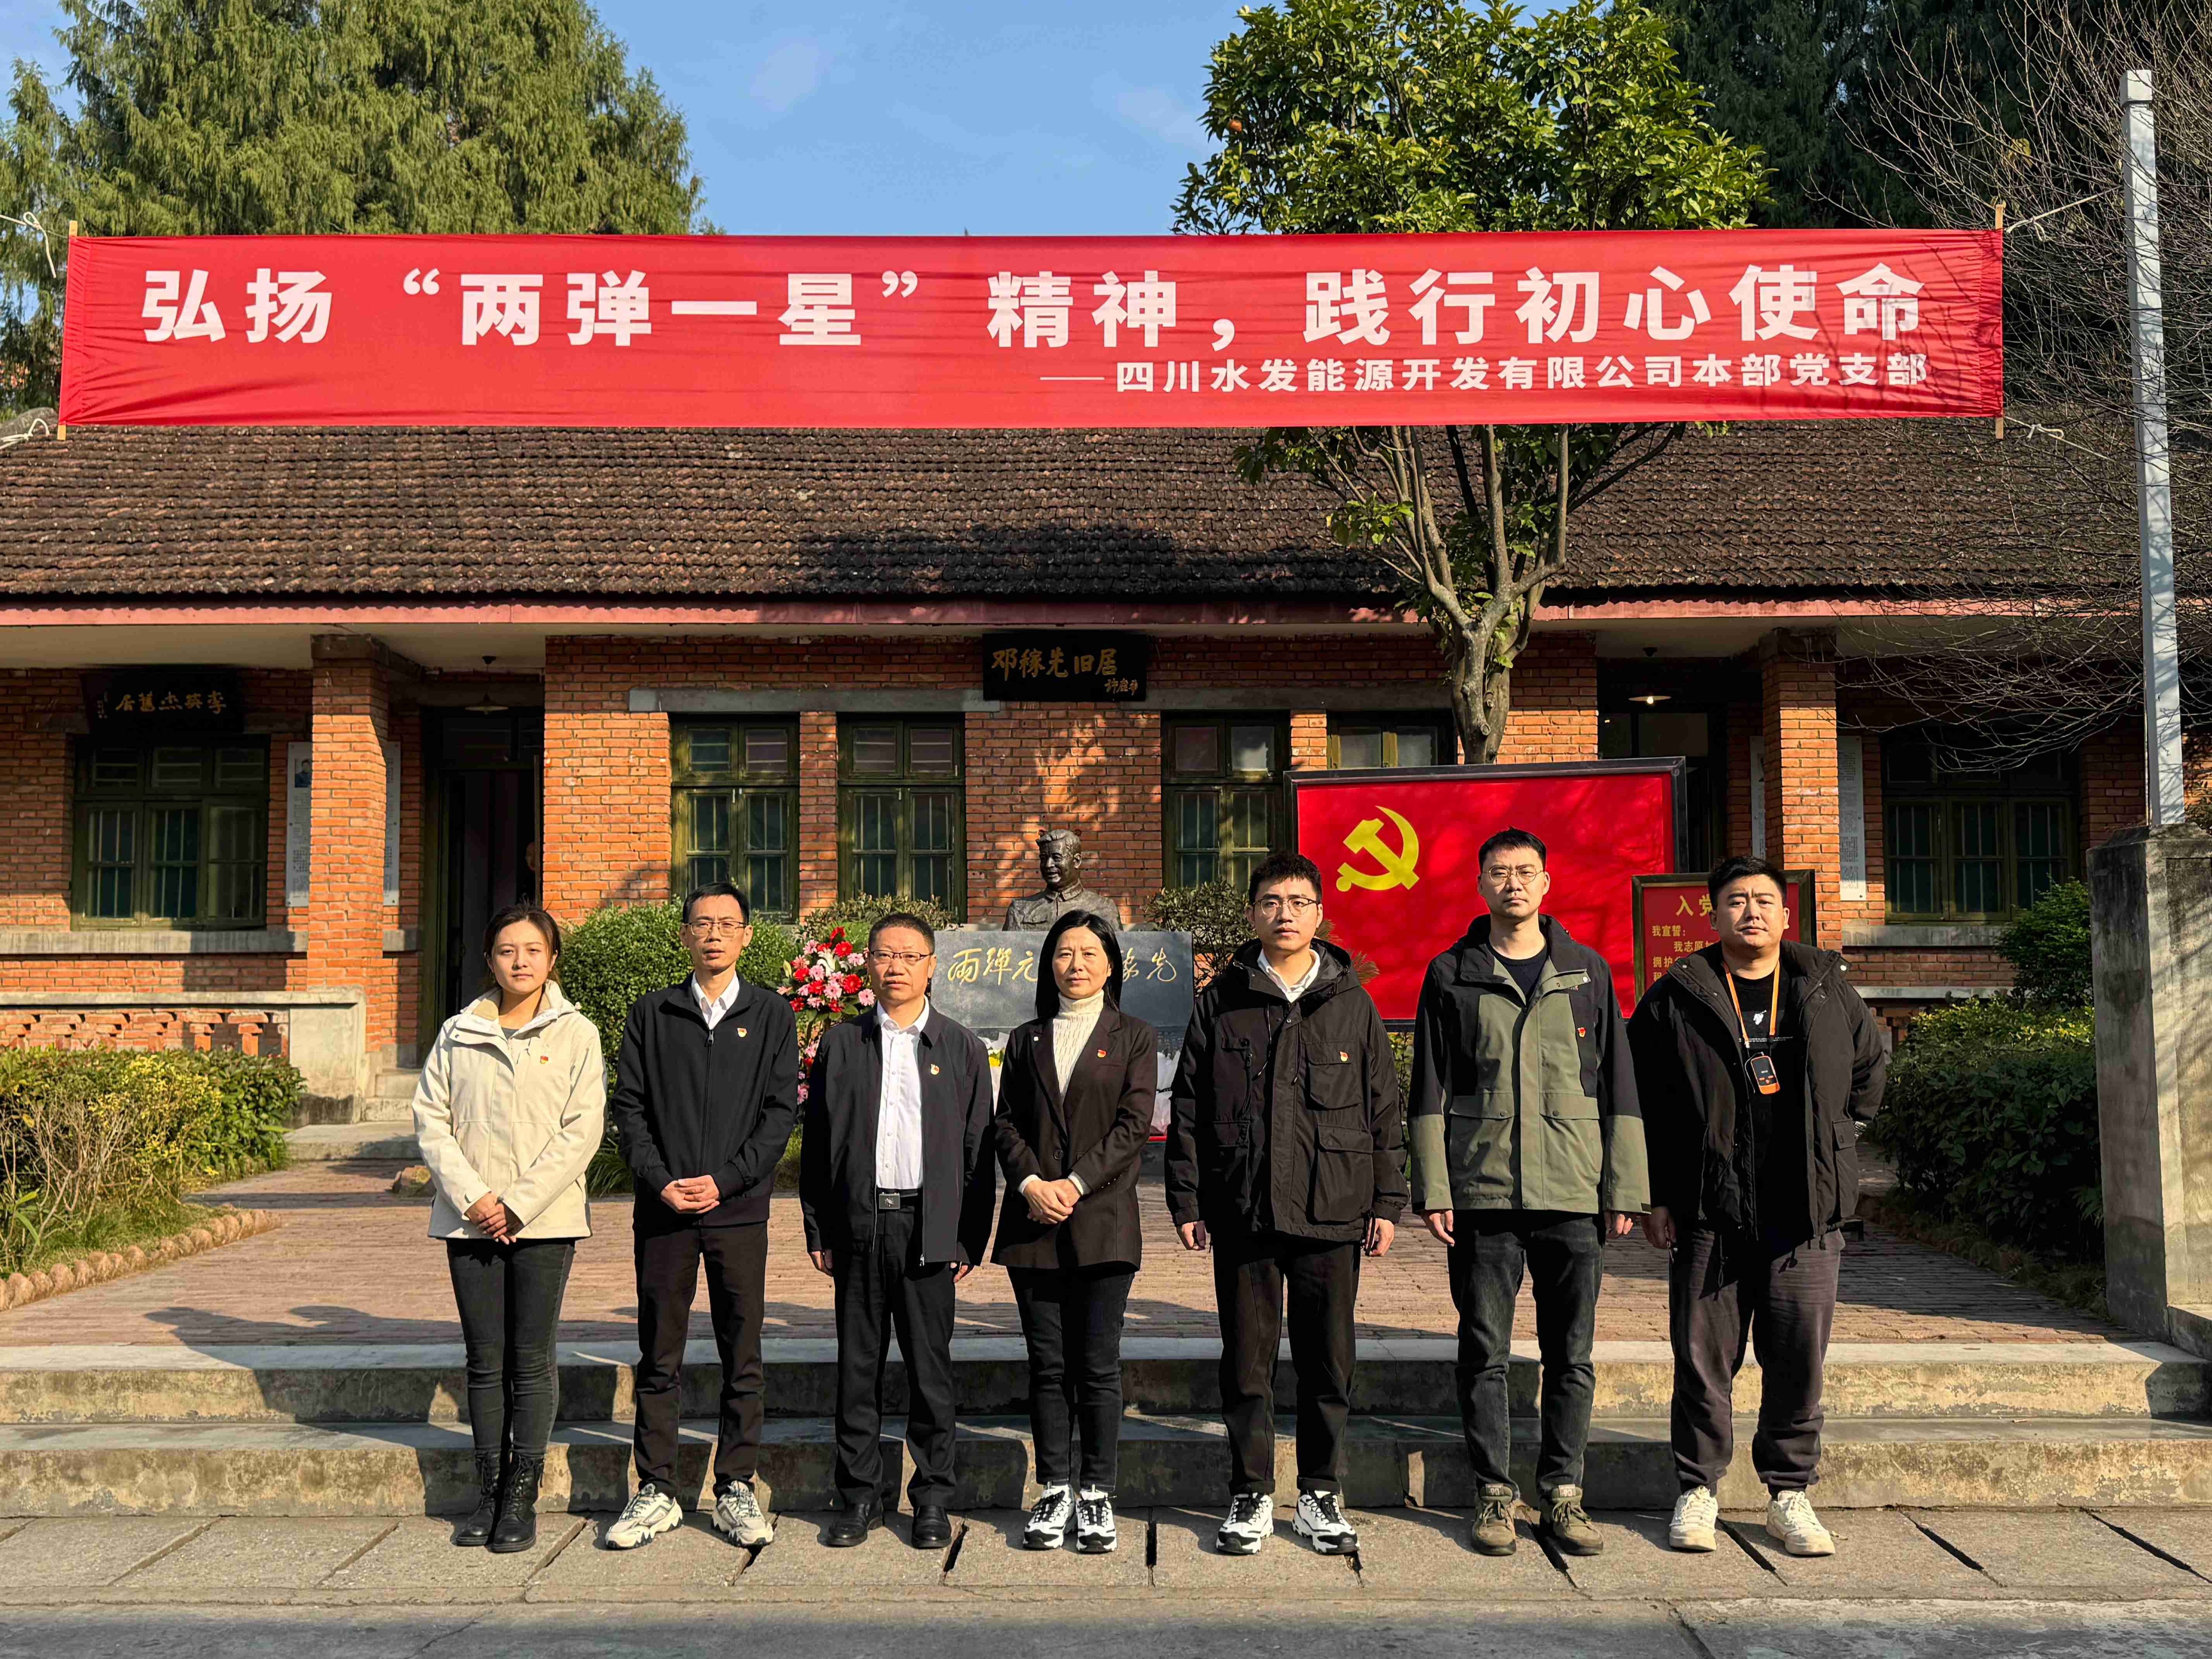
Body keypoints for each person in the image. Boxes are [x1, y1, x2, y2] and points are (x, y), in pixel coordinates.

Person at [1628, 854, 1889, 1559]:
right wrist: (1656, 1195)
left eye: (1765, 900)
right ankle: (1698, 1489)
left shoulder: (1824, 987)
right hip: (1710, 1209)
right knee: (1703, 1361)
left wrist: (1836, 1135)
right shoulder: (1679, 993)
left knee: (1799, 1360)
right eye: (1738, 900)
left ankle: (1789, 1493)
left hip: (1805, 1212)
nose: (1752, 912)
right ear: (1714, 914)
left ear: (1785, 913)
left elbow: (1870, 1067)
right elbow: (1643, 1099)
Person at [1407, 827, 1646, 1560]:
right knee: (1484, 1349)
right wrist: (1434, 1187)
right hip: (1483, 1190)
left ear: (1547, 883)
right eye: (1499, 872)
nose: (1513, 883)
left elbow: (1618, 1083)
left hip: (1573, 1190)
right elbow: (1429, 1085)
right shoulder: (1453, 972)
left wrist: (1623, 1185)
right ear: (1480, 884)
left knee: (1570, 1353)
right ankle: (1493, 1492)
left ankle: (1563, 1493)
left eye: (1526, 872)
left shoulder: (1585, 970)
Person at [1166, 850, 1405, 1558]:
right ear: (1252, 914)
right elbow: (1188, 1108)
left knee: (1329, 1360)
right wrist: (1187, 1199)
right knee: (1247, 1362)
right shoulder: (1222, 1001)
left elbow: (1383, 1109)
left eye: (1299, 902)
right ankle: (1250, 1493)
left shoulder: (1350, 1002)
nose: (1285, 914)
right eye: (1272, 902)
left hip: (1333, 1208)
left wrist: (1388, 1200)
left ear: (1320, 914)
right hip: (1245, 1210)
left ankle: (1320, 1491)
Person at [603, 881, 799, 1552]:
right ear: (684, 934)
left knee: (743, 1351)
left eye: (727, 923)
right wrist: (662, 1182)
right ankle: (656, 1487)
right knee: (660, 1351)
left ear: (747, 935)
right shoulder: (652, 1013)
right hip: (665, 1213)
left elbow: (780, 1114)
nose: (714, 934)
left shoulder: (770, 1014)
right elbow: (629, 1109)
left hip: (737, 1211)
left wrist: (727, 1180)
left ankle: (736, 1485)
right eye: (702, 923)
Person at [800, 910, 998, 1549]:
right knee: (857, 1369)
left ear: (931, 966)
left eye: (911, 957)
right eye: (885, 955)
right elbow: (819, 1143)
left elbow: (978, 1150)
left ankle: (932, 1497)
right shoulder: (842, 1045)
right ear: (868, 963)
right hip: (859, 1222)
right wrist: (818, 1228)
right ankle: (859, 1496)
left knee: (929, 1371)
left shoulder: (961, 1047)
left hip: (927, 1226)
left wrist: (968, 1236)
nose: (896, 968)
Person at [412, 903, 605, 1553]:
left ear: (552, 959)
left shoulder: (576, 1033)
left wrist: (516, 1205)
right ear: (489, 960)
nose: (519, 962)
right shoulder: (457, 1032)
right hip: (470, 1222)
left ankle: (522, 1496)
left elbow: (582, 1130)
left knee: (531, 1359)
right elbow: (431, 1121)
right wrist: (476, 1199)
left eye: (532, 950)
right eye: (506, 950)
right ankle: (488, 1492)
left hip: (544, 1220)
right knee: (484, 1360)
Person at [990, 910, 1158, 1554]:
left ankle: (1097, 1492)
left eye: (1090, 953)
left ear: (1111, 964)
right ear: (1049, 965)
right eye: (1064, 953)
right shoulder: (1026, 1037)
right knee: (1047, 1365)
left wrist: (1076, 1184)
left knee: (1097, 1364)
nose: (1077, 964)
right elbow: (1005, 1123)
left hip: (1103, 1220)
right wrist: (1033, 1184)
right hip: (1034, 1223)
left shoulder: (1133, 1036)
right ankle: (1055, 1486)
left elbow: (1133, 1125)